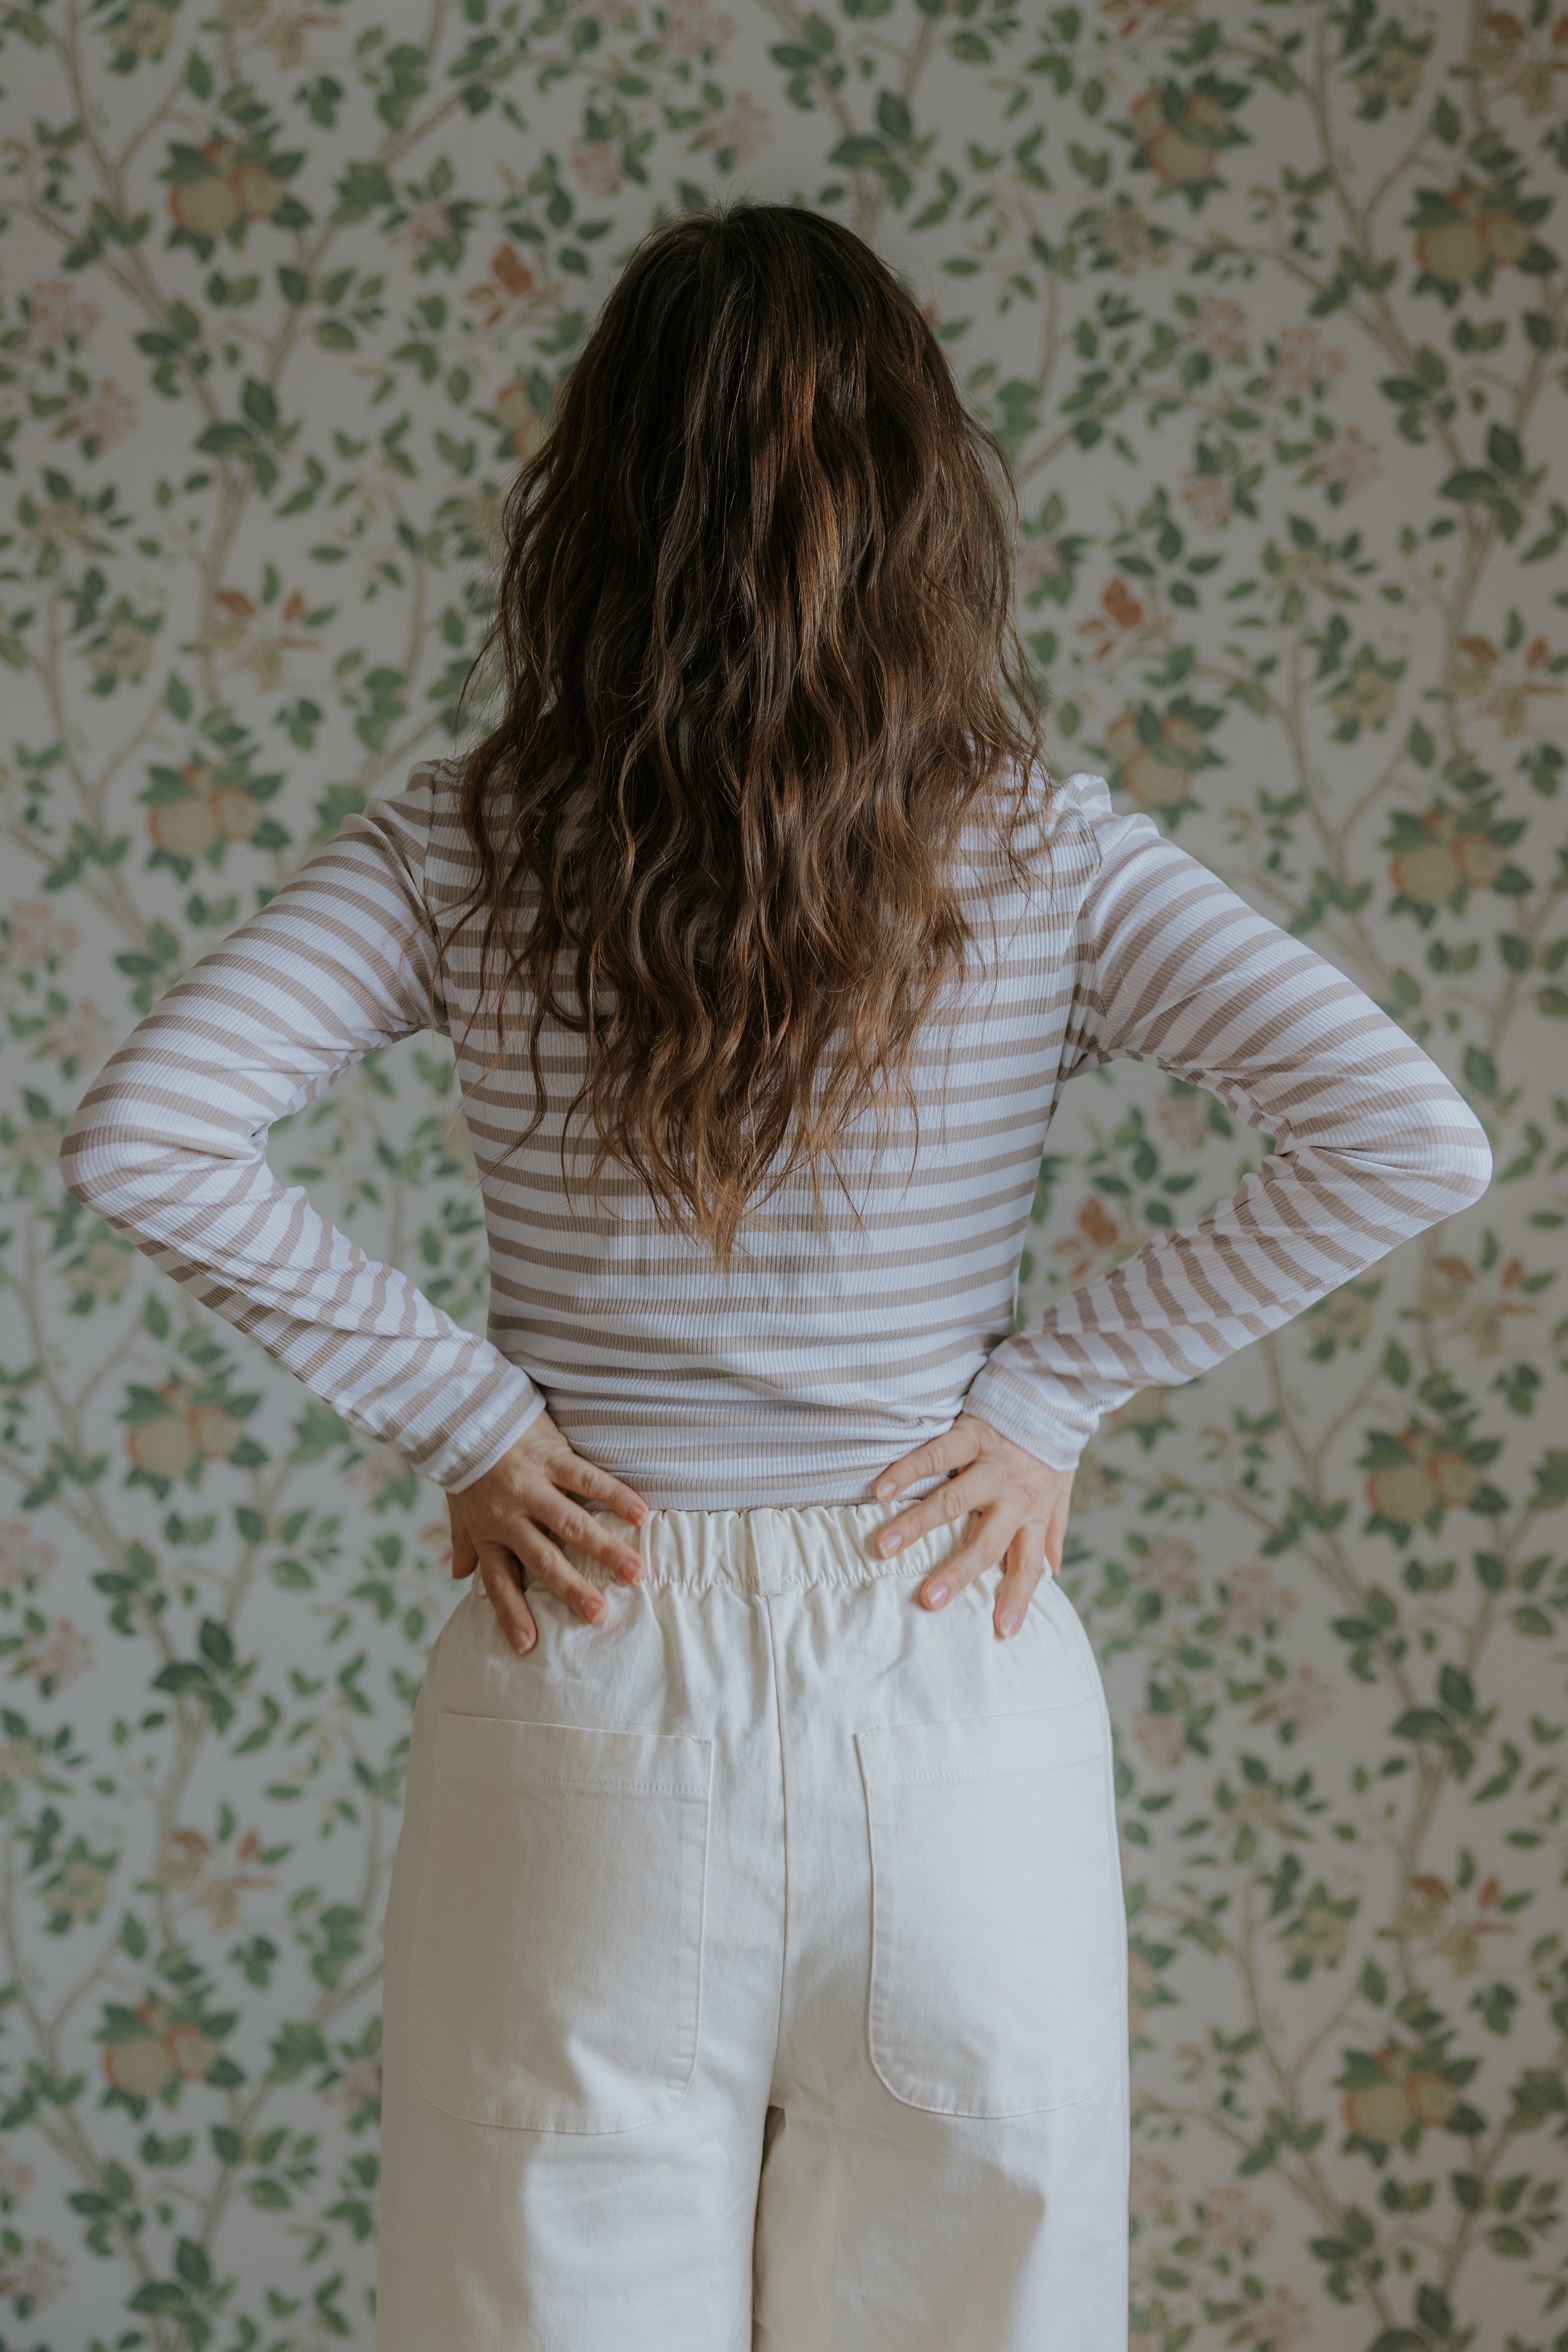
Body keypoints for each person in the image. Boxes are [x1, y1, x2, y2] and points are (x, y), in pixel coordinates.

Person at [58, 201, 1492, 2352]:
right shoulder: (1038, 850)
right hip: (949, 1674)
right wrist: (1041, 1396)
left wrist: (469, 1419)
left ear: (590, 506)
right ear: (927, 509)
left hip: (585, 1664)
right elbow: (1410, 1129)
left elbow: (144, 1130)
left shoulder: (464, 842)